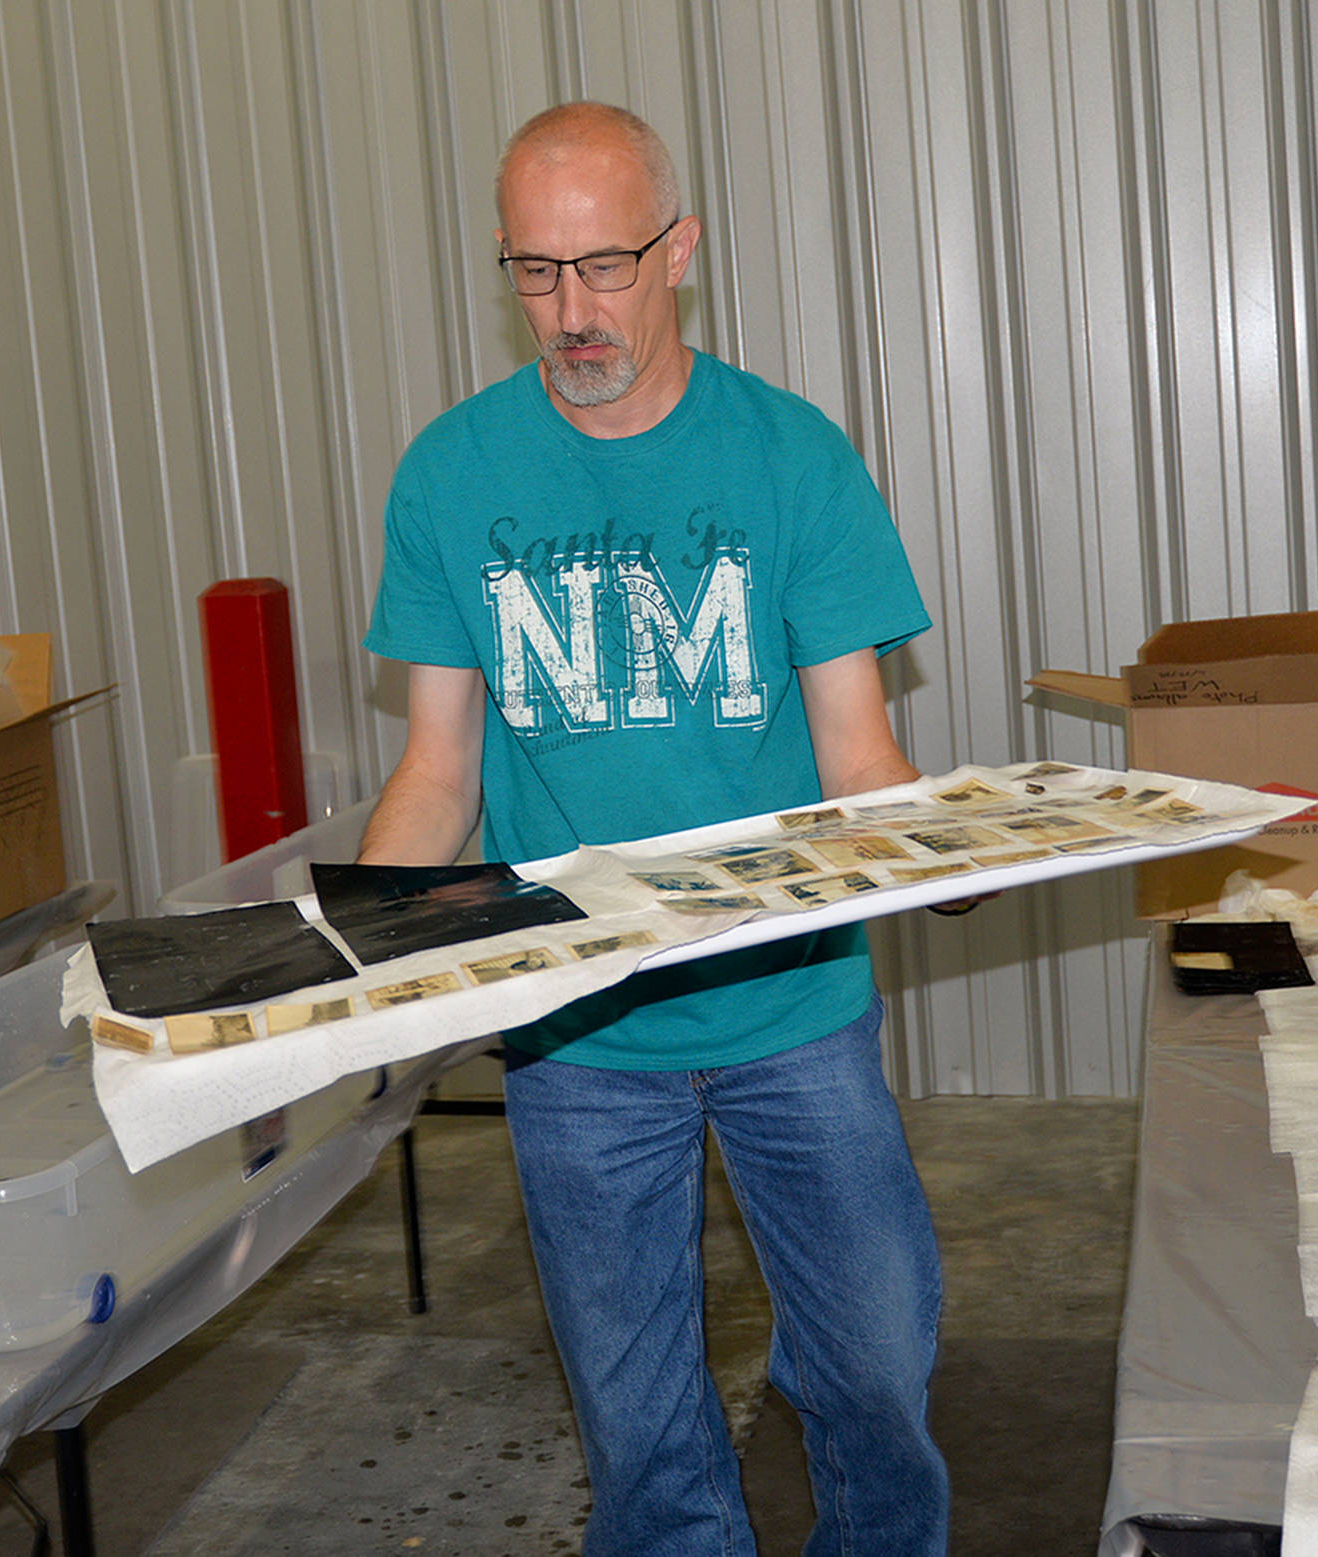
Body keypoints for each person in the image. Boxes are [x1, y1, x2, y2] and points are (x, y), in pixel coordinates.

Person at [358, 100, 952, 1556]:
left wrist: (959, 857)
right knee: (636, 1417)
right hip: (574, 1026)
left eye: (607, 267)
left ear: (681, 249)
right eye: (535, 272)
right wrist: (340, 966)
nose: (572, 312)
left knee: (877, 1360)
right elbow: (438, 772)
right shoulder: (450, 475)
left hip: (789, 995)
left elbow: (858, 748)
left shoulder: (792, 458)